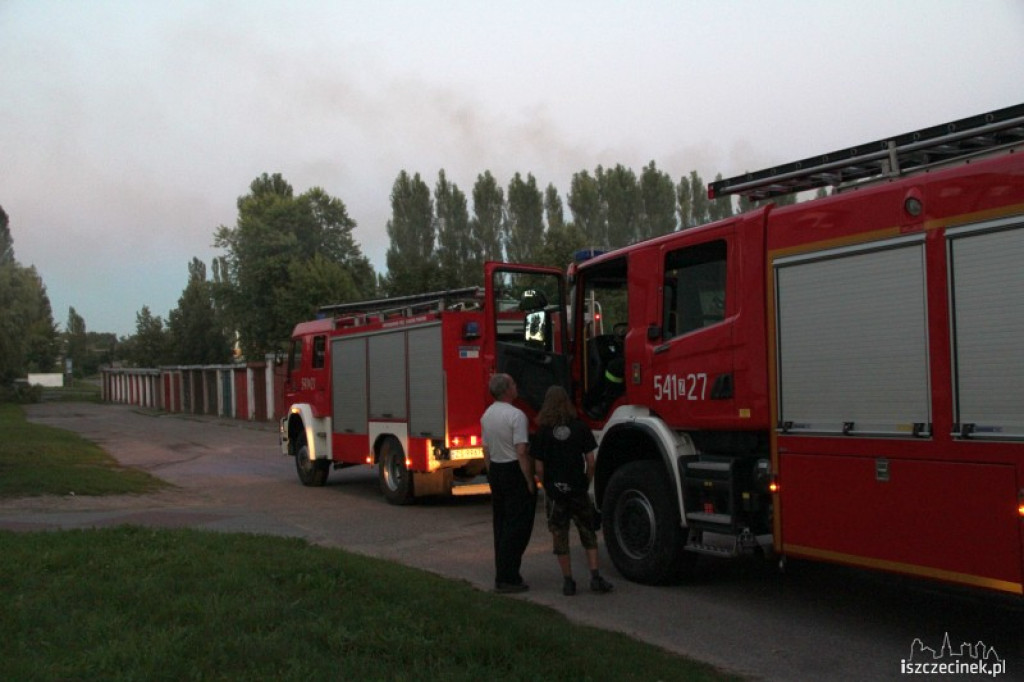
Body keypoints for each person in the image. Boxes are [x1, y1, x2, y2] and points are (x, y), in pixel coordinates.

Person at [532, 385, 613, 596]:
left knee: (560, 535)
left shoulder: (542, 432)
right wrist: (586, 481)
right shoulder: (580, 427)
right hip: (577, 489)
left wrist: (546, 485)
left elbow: (538, 467)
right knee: (588, 532)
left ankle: (568, 582)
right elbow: (591, 461)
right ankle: (595, 577)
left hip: (555, 492)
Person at [480, 373, 537, 593]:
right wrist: (529, 480)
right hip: (514, 469)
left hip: (496, 469)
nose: (516, 386)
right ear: (506, 390)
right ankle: (509, 575)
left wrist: (490, 472)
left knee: (501, 522)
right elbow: (521, 451)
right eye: (513, 383)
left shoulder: (487, 415)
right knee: (518, 525)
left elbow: (485, 449)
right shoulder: (517, 416)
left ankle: (502, 572)